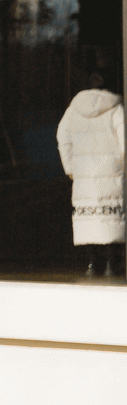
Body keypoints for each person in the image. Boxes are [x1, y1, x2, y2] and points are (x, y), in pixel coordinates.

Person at [56, 73, 126, 279]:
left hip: (84, 171)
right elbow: (124, 138)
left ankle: (92, 263)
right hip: (111, 170)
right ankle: (112, 264)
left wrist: (70, 167)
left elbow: (62, 137)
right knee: (112, 216)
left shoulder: (72, 111)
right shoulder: (115, 108)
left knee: (89, 218)